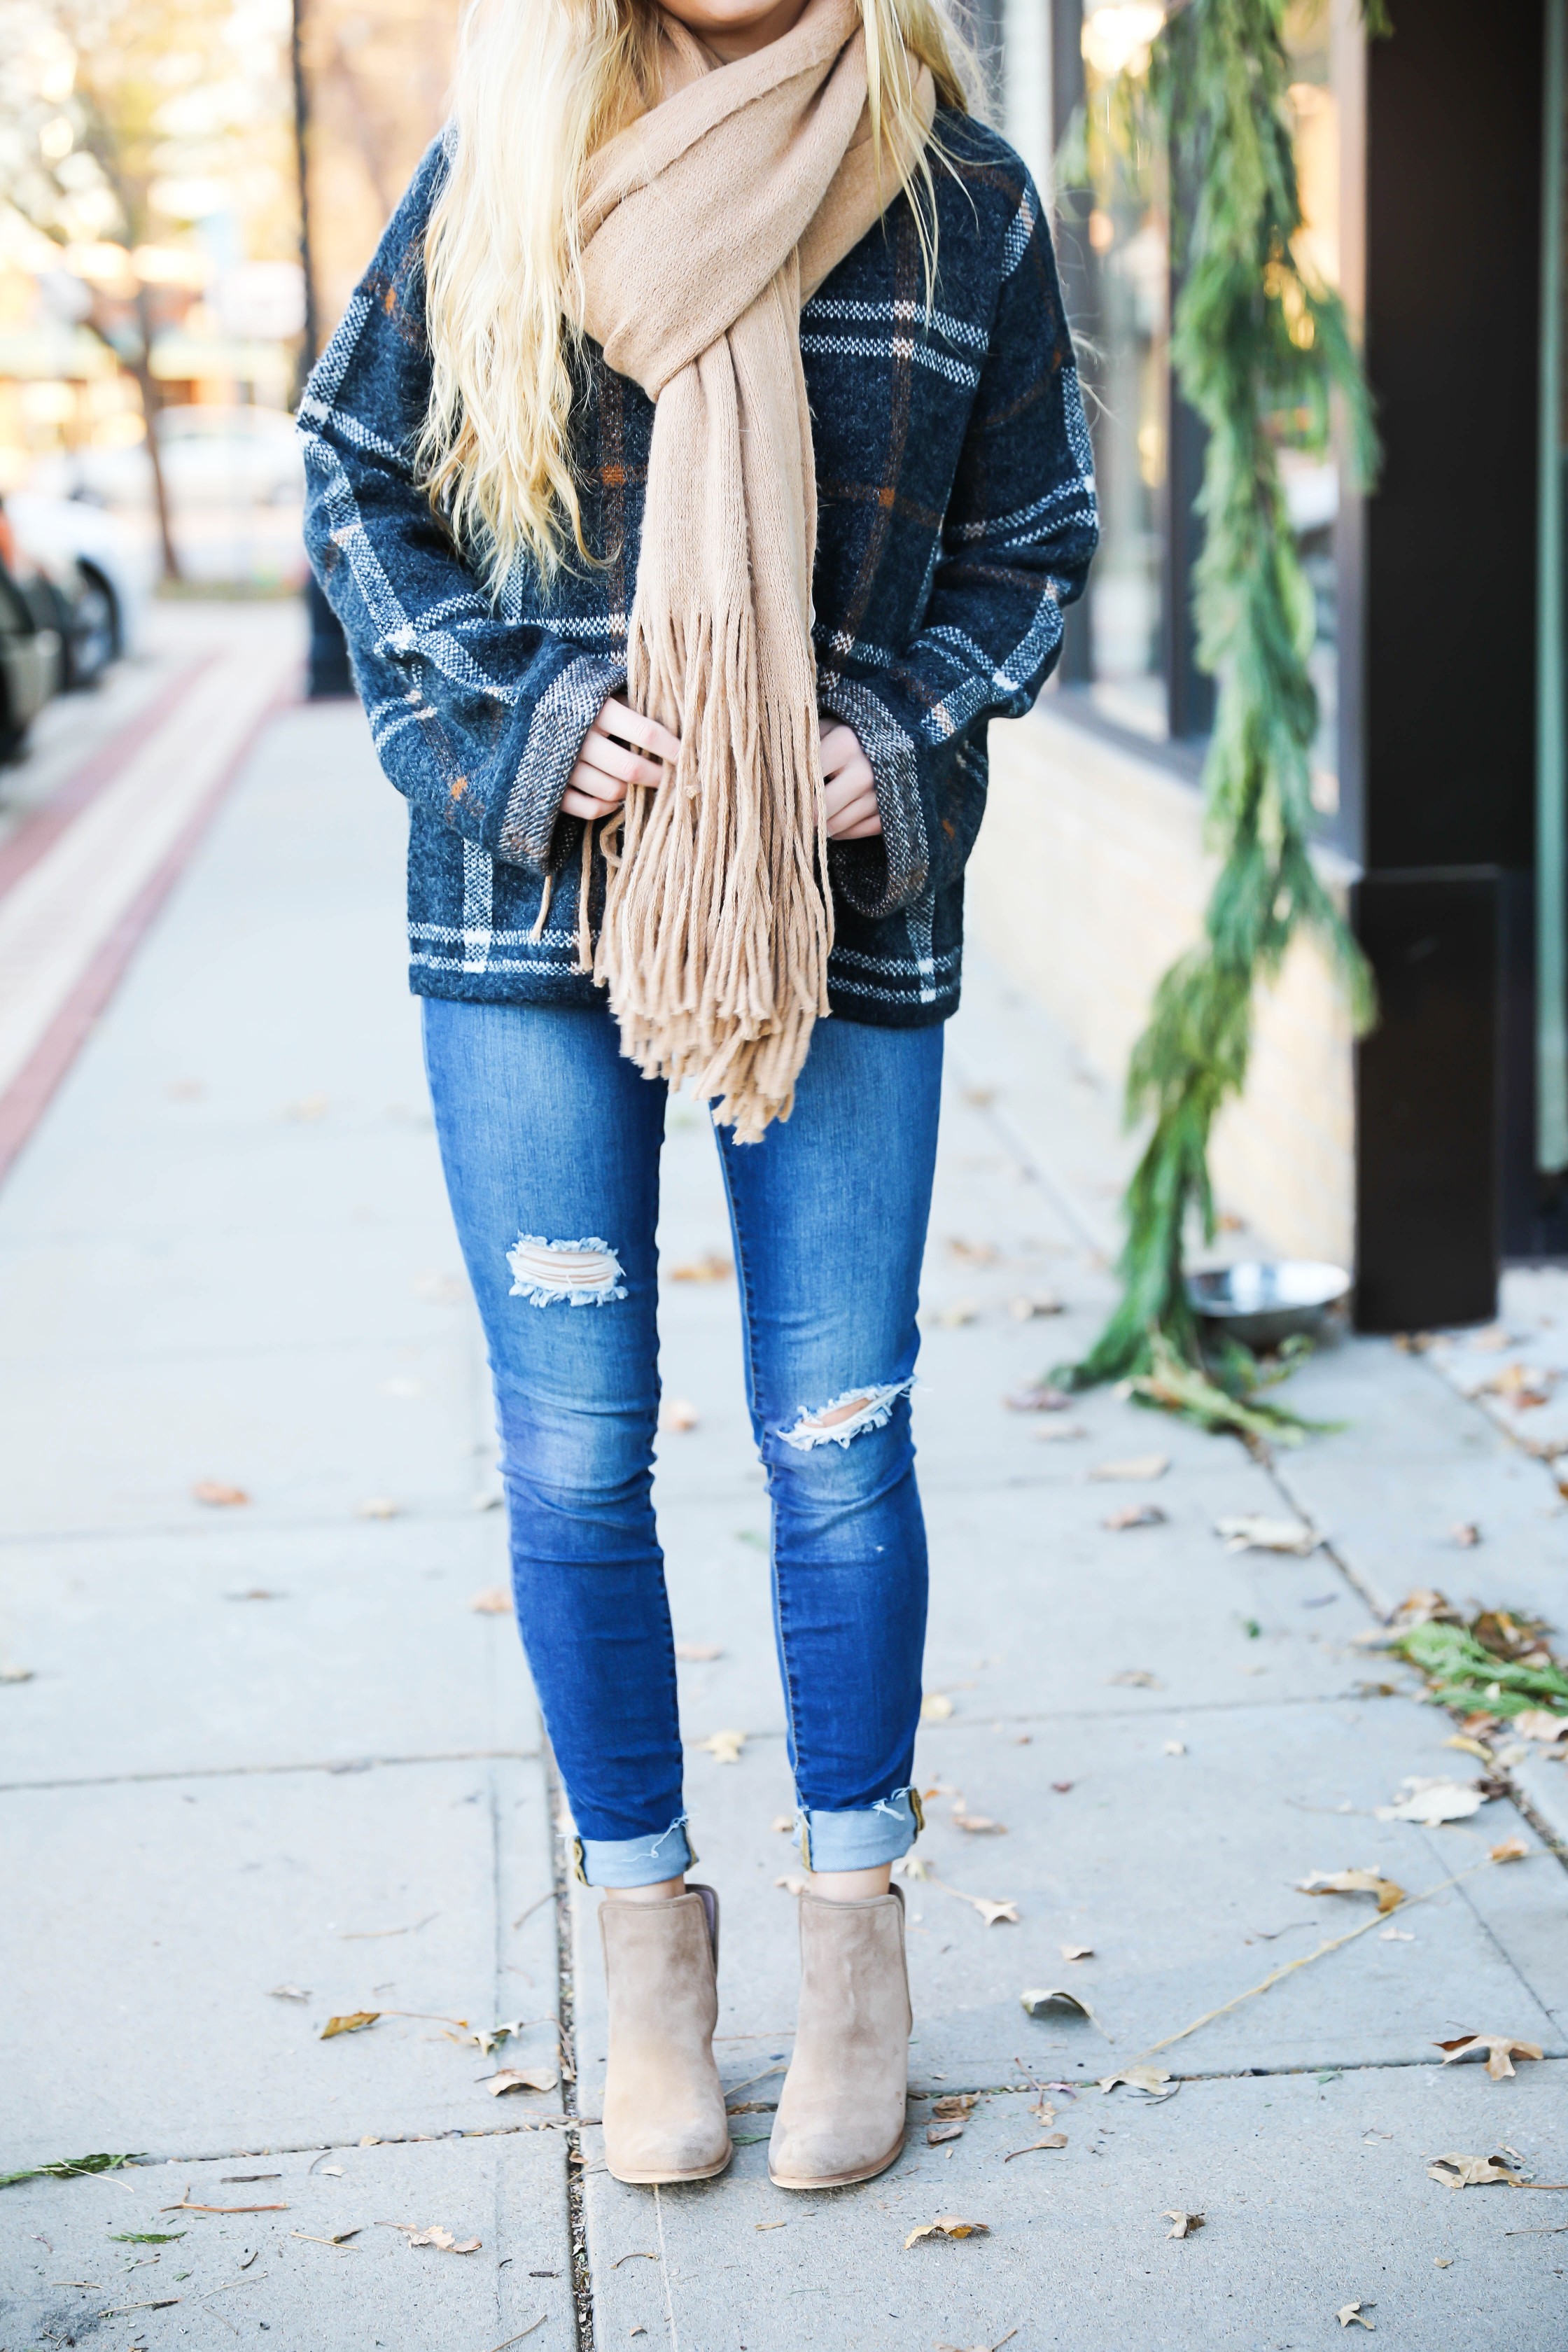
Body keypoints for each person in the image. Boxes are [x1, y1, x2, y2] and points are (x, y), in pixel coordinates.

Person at [301, 0, 1096, 2193]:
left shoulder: (962, 201)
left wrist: (903, 741)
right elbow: (358, 480)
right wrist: (523, 726)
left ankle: (854, 1945)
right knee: (574, 1452)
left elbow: (1033, 546)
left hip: (831, 902)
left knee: (837, 1436)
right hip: (532, 911)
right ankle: (649, 1950)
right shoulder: (511, 168)